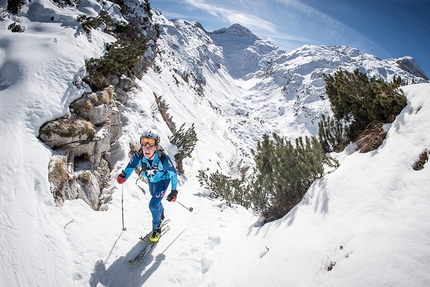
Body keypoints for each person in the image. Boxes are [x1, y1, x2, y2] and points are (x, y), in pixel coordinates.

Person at [117, 129, 178, 243]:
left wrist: (174, 191)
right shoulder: (139, 155)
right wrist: (124, 176)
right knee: (156, 200)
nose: (147, 146)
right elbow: (130, 167)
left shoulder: (163, 158)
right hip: (151, 182)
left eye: (151, 143)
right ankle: (161, 215)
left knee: (153, 206)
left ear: (156, 146)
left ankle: (156, 230)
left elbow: (173, 174)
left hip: (163, 182)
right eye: (144, 142)